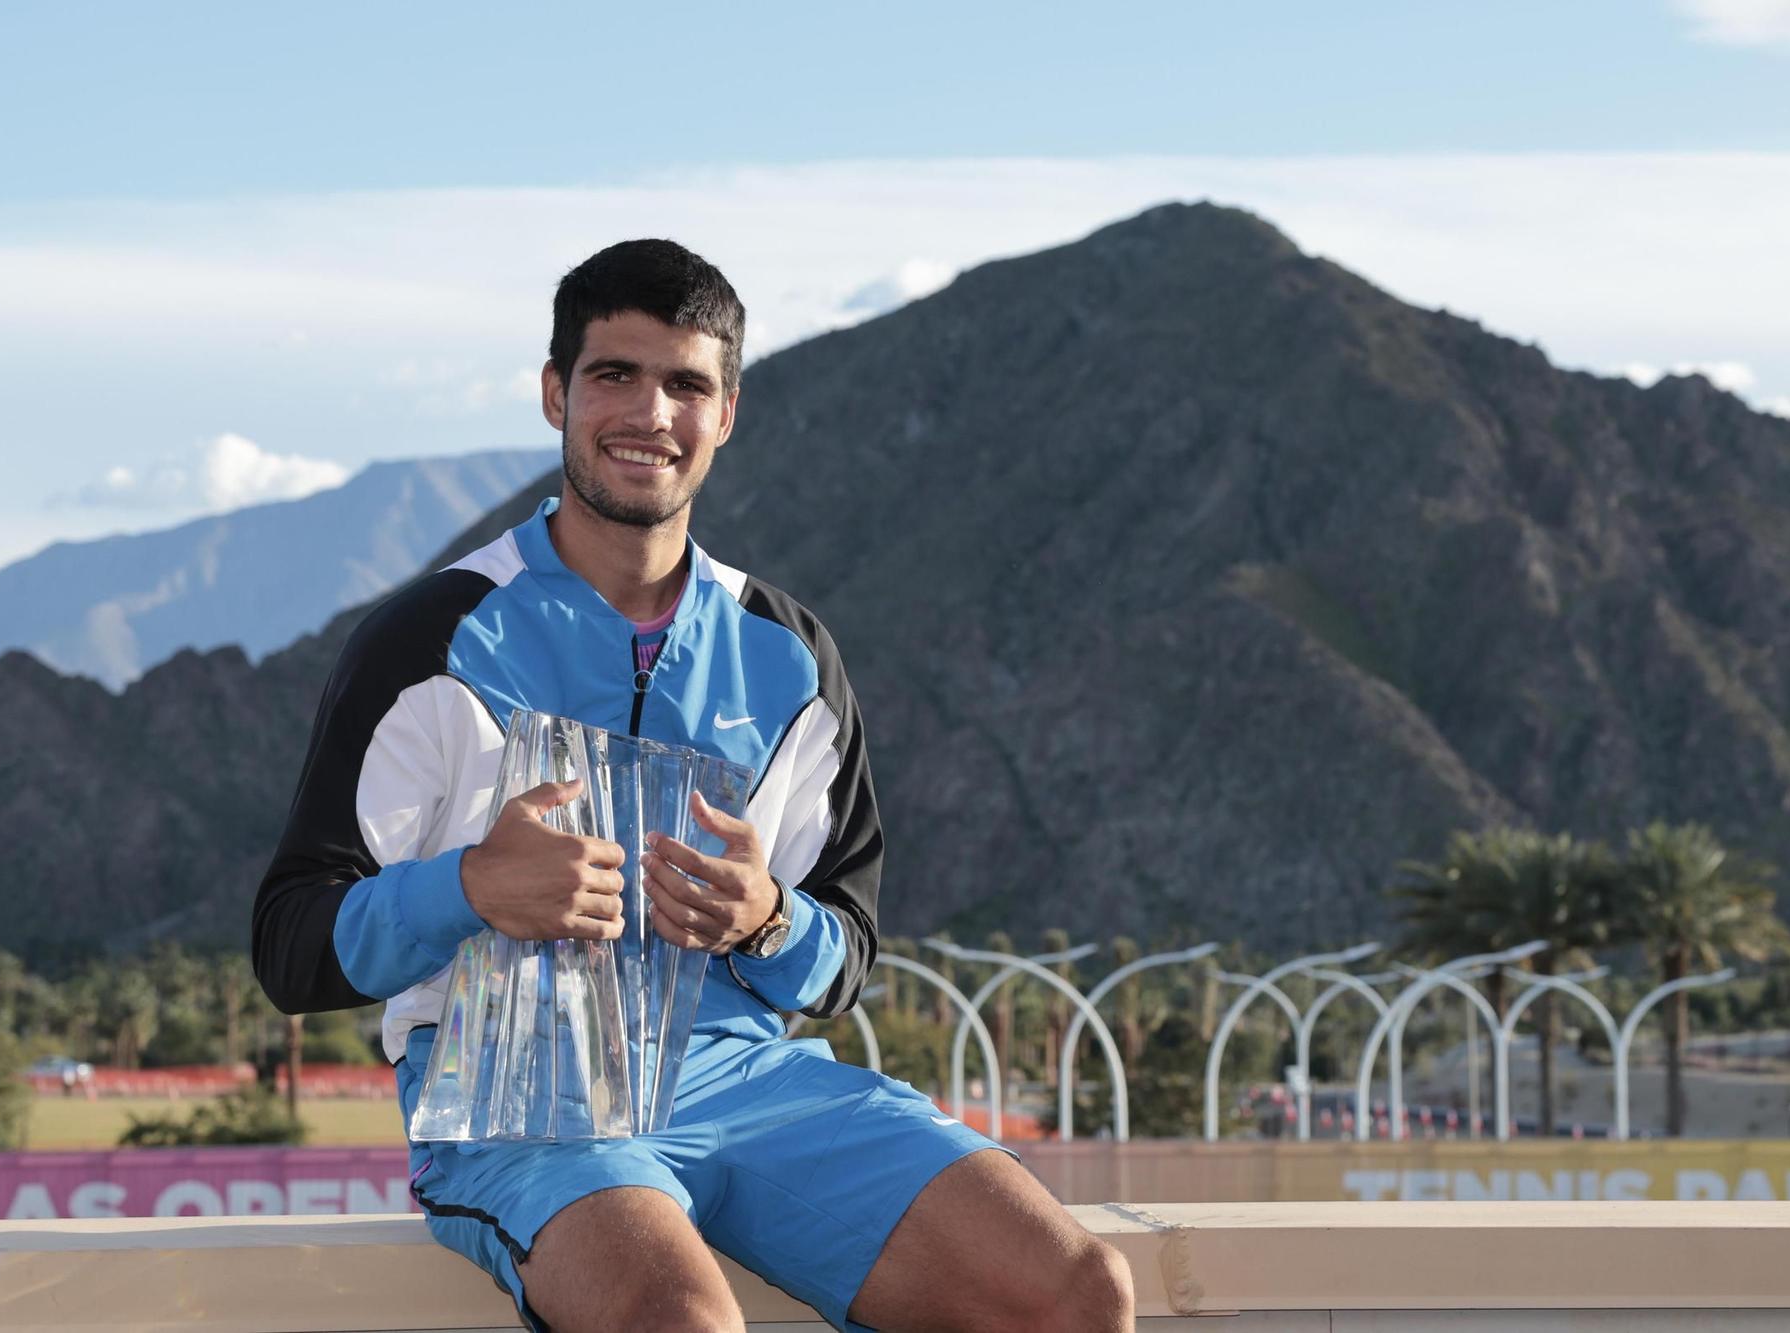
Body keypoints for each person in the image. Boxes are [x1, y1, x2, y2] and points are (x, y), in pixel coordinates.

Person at [252, 239, 1134, 1333]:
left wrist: (764, 920)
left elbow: (843, 953)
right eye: (613, 374)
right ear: (553, 393)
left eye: (685, 384)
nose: (648, 412)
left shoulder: (788, 654)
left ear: (725, 413)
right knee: (679, 1322)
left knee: (1074, 1290)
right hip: (518, 1101)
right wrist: (471, 889)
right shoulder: (431, 637)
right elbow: (290, 942)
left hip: (745, 1085)